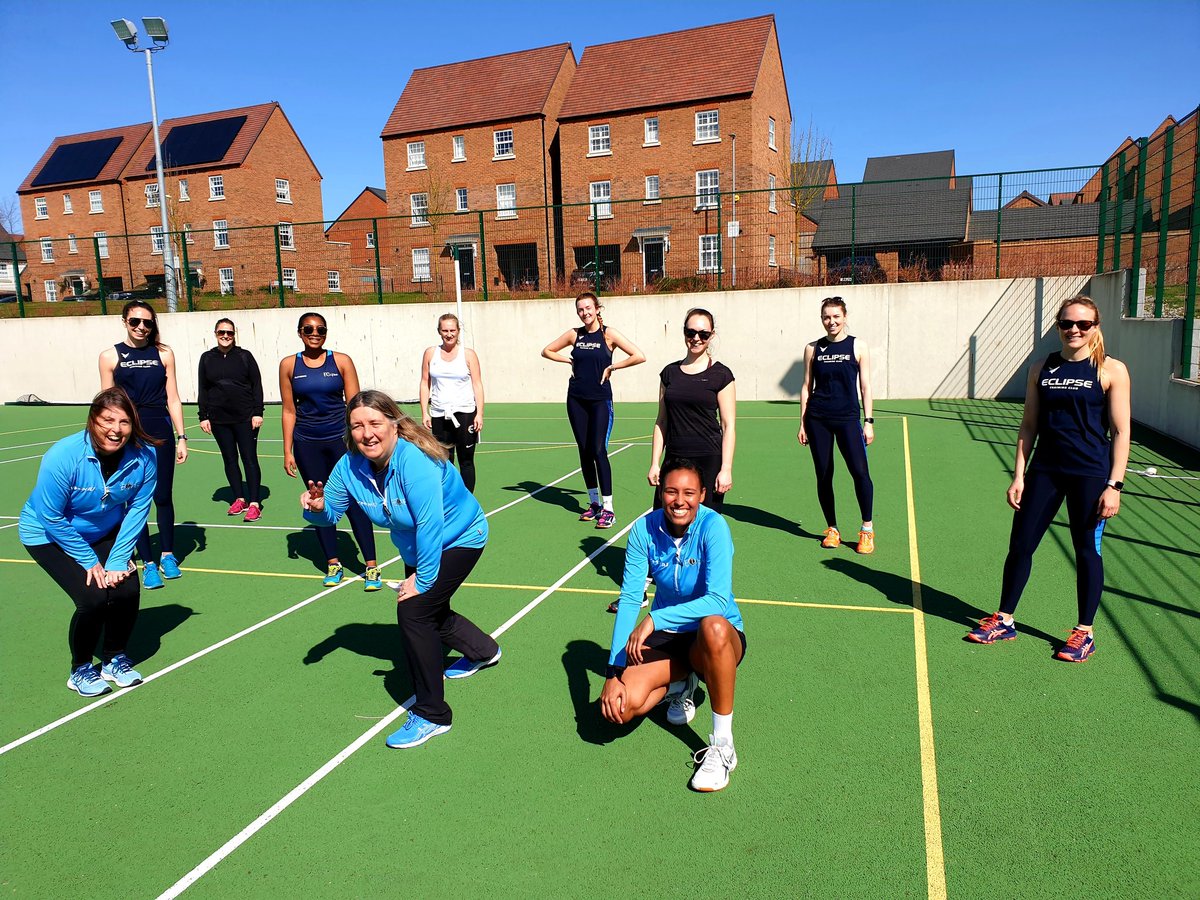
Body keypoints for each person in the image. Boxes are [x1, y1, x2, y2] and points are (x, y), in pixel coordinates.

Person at [301, 390, 499, 749]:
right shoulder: (349, 466)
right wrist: (315, 509)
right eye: (357, 426)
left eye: (375, 423)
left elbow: (429, 523)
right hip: (416, 544)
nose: (367, 433)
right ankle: (483, 650)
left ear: (394, 424)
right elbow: (329, 513)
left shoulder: (415, 460)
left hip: (460, 536)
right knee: (432, 610)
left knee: (414, 611)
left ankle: (433, 715)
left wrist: (422, 581)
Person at [967, 295, 1131, 663]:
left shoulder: (1110, 370)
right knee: (1021, 545)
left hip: (1090, 474)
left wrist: (1114, 485)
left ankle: (1083, 632)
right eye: (1067, 323)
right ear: (1057, 327)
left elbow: (1121, 432)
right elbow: (1028, 425)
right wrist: (1019, 476)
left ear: (1095, 328)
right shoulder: (1042, 367)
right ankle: (1005, 619)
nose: (1074, 330)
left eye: (1083, 324)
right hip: (1045, 471)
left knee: (1087, 550)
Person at [599, 458, 746, 792]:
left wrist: (654, 618)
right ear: (661, 492)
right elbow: (629, 597)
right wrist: (612, 672)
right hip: (671, 640)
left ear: (703, 495)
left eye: (689, 493)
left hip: (716, 637)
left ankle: (723, 746)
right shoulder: (643, 530)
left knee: (713, 626)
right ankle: (682, 681)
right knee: (619, 710)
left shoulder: (714, 527)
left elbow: (718, 600)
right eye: (671, 491)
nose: (680, 500)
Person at [20, 388, 158, 697]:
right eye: (107, 420)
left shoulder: (145, 456)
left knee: (127, 588)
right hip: (46, 533)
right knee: (93, 598)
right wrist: (89, 560)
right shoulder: (62, 456)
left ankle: (114, 658)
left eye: (124, 422)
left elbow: (138, 508)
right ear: (92, 420)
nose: (116, 430)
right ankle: (80, 668)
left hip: (102, 530)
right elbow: (51, 516)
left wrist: (119, 559)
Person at [280, 311, 381, 589]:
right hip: (306, 443)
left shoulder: (342, 361)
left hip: (341, 442)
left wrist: (361, 440)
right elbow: (289, 410)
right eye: (309, 329)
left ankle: (371, 566)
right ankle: (333, 563)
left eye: (320, 329)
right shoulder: (289, 365)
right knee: (318, 500)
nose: (315, 333)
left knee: (356, 500)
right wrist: (288, 450)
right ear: (299, 332)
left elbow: (356, 405)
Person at [98, 300, 188, 590]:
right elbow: (107, 404)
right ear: (124, 321)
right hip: (127, 434)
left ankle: (167, 555)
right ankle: (147, 562)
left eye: (147, 323)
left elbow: (173, 398)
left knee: (162, 496)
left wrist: (182, 436)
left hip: (159, 429)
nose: (141, 327)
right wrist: (108, 438)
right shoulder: (110, 356)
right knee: (134, 500)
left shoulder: (163, 354)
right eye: (135, 321)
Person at [542, 292, 645, 529]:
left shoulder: (608, 334)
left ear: (597, 309)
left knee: (599, 450)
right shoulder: (574, 334)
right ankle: (594, 503)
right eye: (580, 309)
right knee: (584, 451)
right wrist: (568, 361)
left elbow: (639, 356)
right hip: (576, 399)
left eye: (588, 308)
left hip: (600, 400)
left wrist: (612, 367)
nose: (585, 313)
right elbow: (546, 350)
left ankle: (609, 509)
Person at [797, 296, 876, 554]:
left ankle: (866, 529)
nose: (831, 322)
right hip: (817, 418)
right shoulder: (812, 348)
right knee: (824, 474)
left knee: (860, 472)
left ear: (845, 317)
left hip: (848, 419)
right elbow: (807, 386)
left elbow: (865, 386)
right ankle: (832, 528)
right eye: (826, 317)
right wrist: (802, 423)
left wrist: (868, 421)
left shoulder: (858, 346)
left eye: (836, 317)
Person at [198, 318, 265, 521]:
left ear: (234, 334)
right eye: (221, 333)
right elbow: (203, 388)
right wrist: (204, 416)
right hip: (219, 419)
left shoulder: (245, 356)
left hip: (245, 417)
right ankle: (239, 499)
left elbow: (256, 384)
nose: (225, 336)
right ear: (215, 334)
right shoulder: (207, 358)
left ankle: (254, 503)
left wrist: (258, 412)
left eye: (229, 333)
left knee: (249, 459)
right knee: (229, 459)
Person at [420, 313, 484, 492]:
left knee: (466, 460)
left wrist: (479, 414)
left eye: (452, 330)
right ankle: (448, 498)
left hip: (465, 413)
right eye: (445, 330)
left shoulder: (469, 355)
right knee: (443, 461)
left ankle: (467, 500)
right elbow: (425, 382)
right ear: (439, 331)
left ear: (458, 331)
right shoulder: (430, 353)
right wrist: (425, 411)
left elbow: (477, 384)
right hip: (440, 414)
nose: (449, 334)